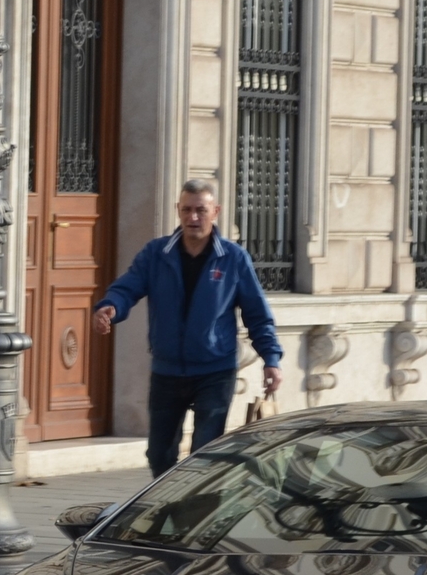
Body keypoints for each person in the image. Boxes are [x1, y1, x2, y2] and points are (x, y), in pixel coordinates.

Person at [92, 178, 283, 475]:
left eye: (201, 210)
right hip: (167, 370)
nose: (193, 218)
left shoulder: (233, 259)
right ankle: (169, 511)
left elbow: (257, 314)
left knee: (205, 455)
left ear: (215, 211)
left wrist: (271, 359)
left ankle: (197, 514)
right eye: (187, 210)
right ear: (177, 211)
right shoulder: (157, 254)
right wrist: (111, 307)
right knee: (159, 455)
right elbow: (128, 287)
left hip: (215, 371)